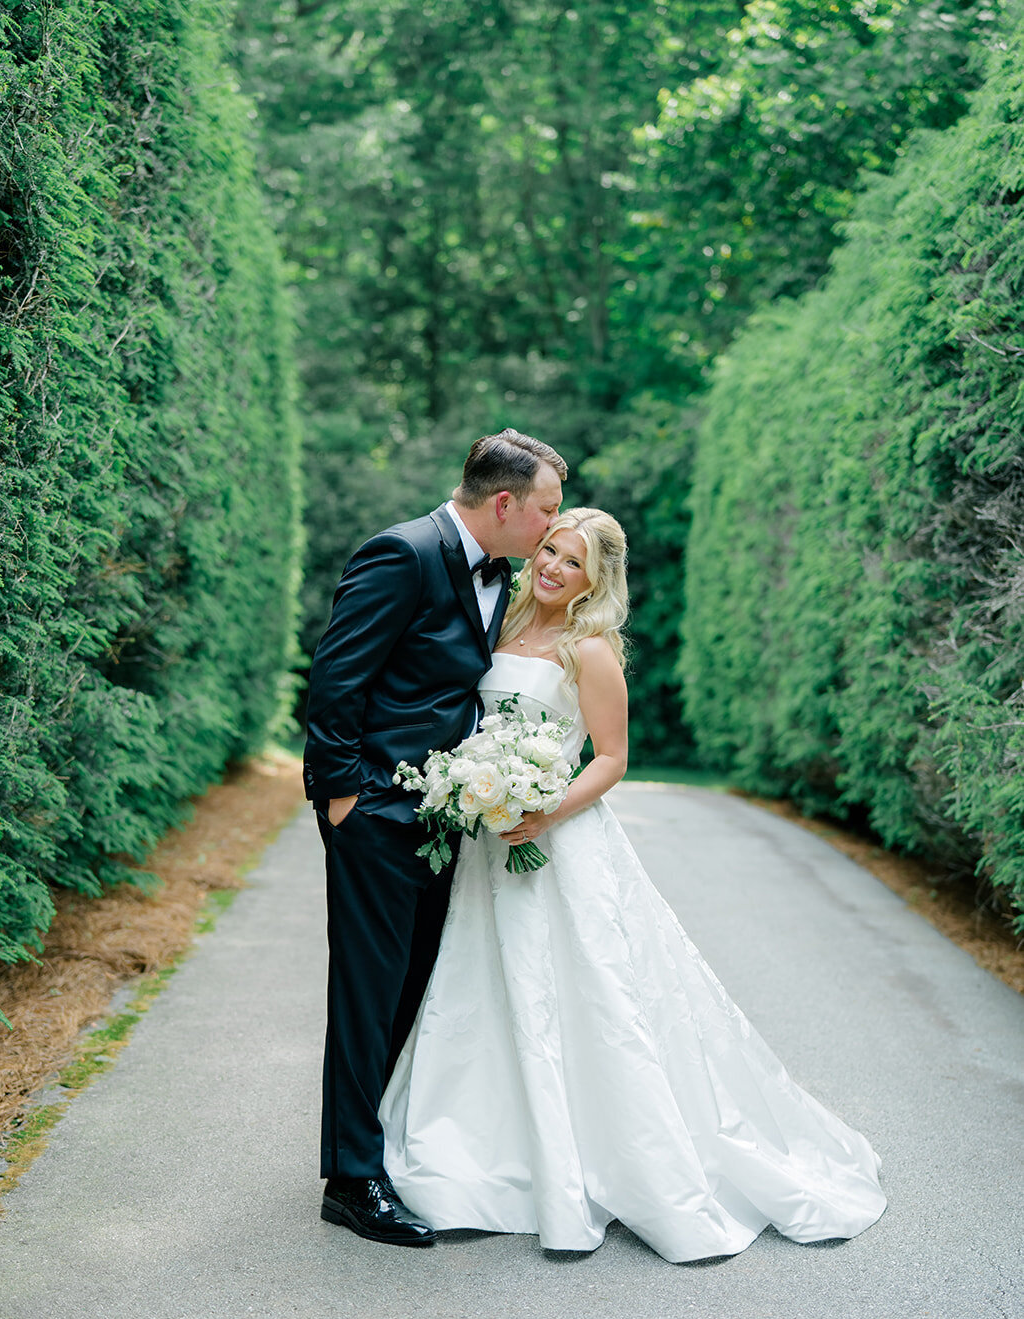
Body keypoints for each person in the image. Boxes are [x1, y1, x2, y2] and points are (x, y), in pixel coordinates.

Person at [380, 508, 887, 1262]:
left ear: (595, 581)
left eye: (572, 562)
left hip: (557, 840)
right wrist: (475, 790)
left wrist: (543, 811)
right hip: (489, 844)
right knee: (484, 985)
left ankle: (607, 1157)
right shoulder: (502, 620)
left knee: (590, 994)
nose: (551, 567)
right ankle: (476, 1152)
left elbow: (611, 759)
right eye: (549, 550)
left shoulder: (589, 650)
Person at [304, 429, 568, 1246]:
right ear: (503, 502)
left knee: (414, 990)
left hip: (447, 820)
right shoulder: (402, 554)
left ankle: (381, 1150)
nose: (551, 529)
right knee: (368, 993)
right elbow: (337, 681)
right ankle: (351, 1180)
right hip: (378, 813)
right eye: (545, 510)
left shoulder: (504, 578)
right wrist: (345, 798)